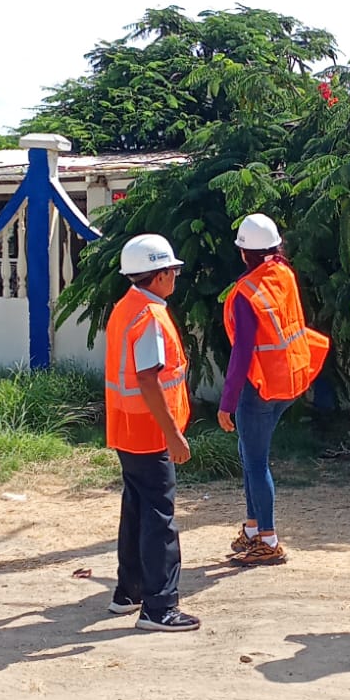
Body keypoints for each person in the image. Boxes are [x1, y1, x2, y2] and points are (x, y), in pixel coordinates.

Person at [218, 213, 329, 566]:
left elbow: (242, 353)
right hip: (290, 379)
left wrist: (227, 402)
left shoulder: (245, 293)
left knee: (255, 462)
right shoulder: (284, 274)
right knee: (249, 454)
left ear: (243, 252)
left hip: (261, 388)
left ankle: (268, 539)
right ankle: (253, 530)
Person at [104, 233, 199, 632]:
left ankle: (129, 592)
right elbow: (148, 378)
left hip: (127, 426)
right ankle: (159, 608)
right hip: (149, 430)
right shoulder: (150, 317)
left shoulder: (126, 307)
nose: (175, 276)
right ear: (159, 276)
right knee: (159, 516)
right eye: (172, 270)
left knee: (137, 509)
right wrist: (173, 434)